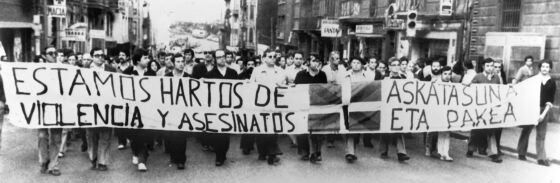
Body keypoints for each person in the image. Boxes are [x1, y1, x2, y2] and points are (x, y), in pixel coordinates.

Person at [249, 49, 287, 165]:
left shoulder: (280, 71)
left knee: (273, 129)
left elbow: (283, 87)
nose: (272, 58)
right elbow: (251, 85)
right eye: (269, 56)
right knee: (261, 129)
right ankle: (262, 152)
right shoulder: (257, 70)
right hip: (261, 104)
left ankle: (272, 154)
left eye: (274, 56)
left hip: (275, 104)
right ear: (264, 58)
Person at [203, 50, 239, 166]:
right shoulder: (209, 75)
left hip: (229, 108)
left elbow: (239, 89)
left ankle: (222, 153)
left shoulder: (233, 73)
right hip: (216, 108)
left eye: (223, 56)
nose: (222, 59)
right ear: (215, 59)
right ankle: (219, 156)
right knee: (217, 134)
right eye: (219, 57)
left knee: (225, 133)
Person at [518, 59, 556, 166]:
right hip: (531, 108)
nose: (545, 69)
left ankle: (541, 158)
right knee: (526, 131)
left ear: (550, 69)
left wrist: (543, 114)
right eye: (543, 66)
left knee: (541, 135)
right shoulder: (533, 79)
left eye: (547, 67)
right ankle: (521, 152)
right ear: (540, 68)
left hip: (544, 109)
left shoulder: (552, 82)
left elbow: (550, 100)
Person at [466, 58, 502, 163]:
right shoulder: (478, 77)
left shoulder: (497, 78)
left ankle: (493, 153)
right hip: (479, 108)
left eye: (492, 66)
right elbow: (471, 90)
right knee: (476, 130)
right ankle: (471, 149)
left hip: (491, 109)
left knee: (491, 131)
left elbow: (499, 91)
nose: (490, 68)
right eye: (488, 66)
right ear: (483, 66)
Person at [86, 48, 117, 171]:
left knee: (106, 135)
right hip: (89, 107)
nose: (100, 57)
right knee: (91, 135)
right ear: (92, 56)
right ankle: (93, 158)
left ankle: (103, 161)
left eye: (102, 55)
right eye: (97, 55)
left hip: (106, 106)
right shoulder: (84, 69)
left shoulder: (111, 69)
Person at [122, 49, 153, 171]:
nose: (148, 60)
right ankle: (135, 152)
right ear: (138, 60)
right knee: (134, 134)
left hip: (147, 110)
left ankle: (142, 160)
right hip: (131, 109)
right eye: (145, 58)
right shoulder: (127, 72)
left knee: (143, 134)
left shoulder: (151, 73)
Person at [294, 56, 327, 163]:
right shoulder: (300, 75)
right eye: (313, 61)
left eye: (318, 61)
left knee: (317, 131)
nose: (316, 63)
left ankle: (317, 153)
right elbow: (295, 89)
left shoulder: (322, 75)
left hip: (317, 106)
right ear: (308, 62)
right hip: (303, 106)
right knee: (302, 130)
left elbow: (325, 90)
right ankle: (304, 152)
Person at [379, 57, 410, 162]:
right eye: (394, 65)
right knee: (386, 129)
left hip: (399, 107)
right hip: (387, 107)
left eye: (398, 65)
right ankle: (383, 150)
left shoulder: (403, 78)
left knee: (399, 129)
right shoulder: (384, 78)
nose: (396, 67)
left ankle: (401, 152)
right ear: (389, 67)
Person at [163, 53, 189, 170]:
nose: (181, 63)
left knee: (181, 135)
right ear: (173, 63)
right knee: (172, 135)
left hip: (184, 111)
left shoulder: (189, 77)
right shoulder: (167, 77)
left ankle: (181, 159)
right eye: (178, 61)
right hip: (170, 111)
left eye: (182, 61)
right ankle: (174, 155)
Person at [321, 51, 345, 148]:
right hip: (328, 96)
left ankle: (336, 135)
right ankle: (329, 139)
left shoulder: (342, 69)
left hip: (339, 95)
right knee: (329, 117)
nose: (338, 60)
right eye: (336, 58)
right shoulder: (325, 69)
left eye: (339, 58)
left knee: (338, 116)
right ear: (331, 59)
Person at [437, 66, 454, 162]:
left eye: (449, 74)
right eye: (445, 74)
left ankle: (445, 153)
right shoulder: (436, 84)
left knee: (447, 133)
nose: (448, 76)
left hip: (449, 111)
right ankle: (440, 151)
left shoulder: (453, 85)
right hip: (439, 111)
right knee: (440, 132)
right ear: (441, 74)